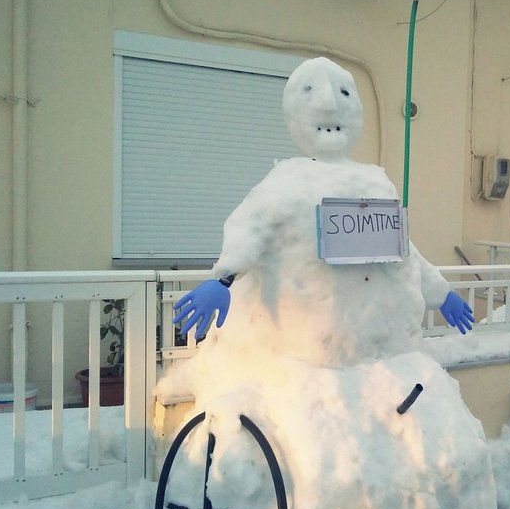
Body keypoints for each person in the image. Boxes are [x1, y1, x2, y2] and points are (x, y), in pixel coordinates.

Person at [172, 57, 473, 363]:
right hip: (305, 358)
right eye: (311, 92)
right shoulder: (288, 182)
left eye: (343, 94)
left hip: (385, 356)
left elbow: (399, 250)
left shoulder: (375, 184)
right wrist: (223, 279)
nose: (329, 104)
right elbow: (252, 227)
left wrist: (440, 292)